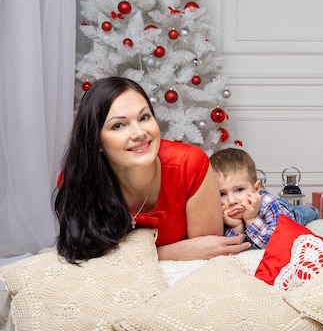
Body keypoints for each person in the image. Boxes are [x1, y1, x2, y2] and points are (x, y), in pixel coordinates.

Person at [53, 76, 251, 264]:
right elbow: (83, 253)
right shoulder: (77, 180)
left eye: (144, 117)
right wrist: (169, 253)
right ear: (96, 142)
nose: (139, 133)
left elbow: (208, 253)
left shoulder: (189, 165)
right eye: (118, 125)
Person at [210, 147, 320, 249]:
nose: (232, 201)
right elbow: (230, 247)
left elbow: (277, 241)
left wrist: (250, 220)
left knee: (302, 214)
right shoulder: (221, 210)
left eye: (239, 190)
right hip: (266, 218)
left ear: (256, 188)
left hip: (284, 211)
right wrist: (236, 227)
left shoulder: (267, 203)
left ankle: (313, 210)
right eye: (222, 194)